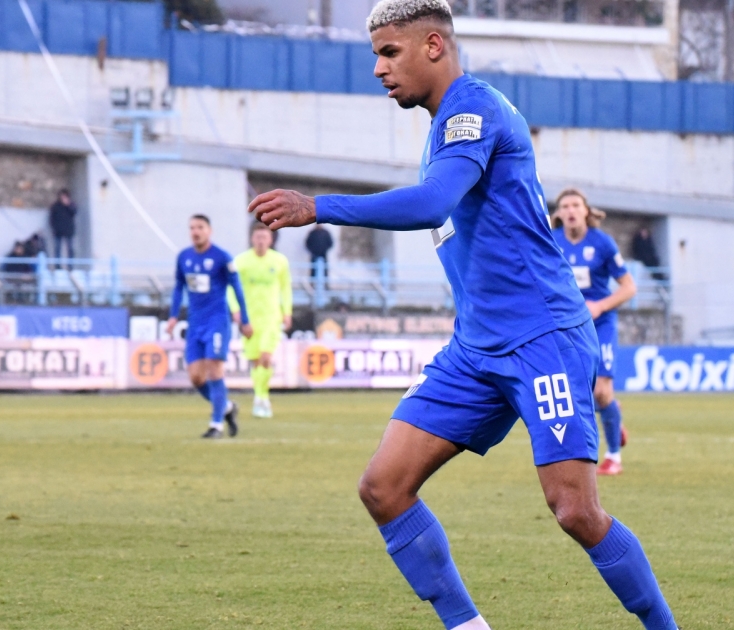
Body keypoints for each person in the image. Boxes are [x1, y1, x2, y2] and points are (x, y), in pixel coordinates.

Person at [246, 2, 677, 628]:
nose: (378, 69)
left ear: (432, 46)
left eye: (389, 53)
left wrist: (319, 206)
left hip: (542, 338)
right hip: (475, 349)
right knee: (384, 487)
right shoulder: (442, 127)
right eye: (375, 55)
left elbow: (431, 204)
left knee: (576, 511)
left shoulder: (472, 110)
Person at [551, 188, 638, 476]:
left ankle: (613, 457)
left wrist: (600, 306)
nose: (571, 210)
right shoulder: (552, 241)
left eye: (576, 205)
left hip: (600, 324)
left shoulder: (602, 243)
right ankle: (612, 413)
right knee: (579, 392)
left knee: (601, 390)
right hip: (567, 325)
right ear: (559, 213)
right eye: (565, 206)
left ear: (586, 211)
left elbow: (629, 287)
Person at [167, 215, 252, 439]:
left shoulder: (222, 257)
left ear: (209, 231)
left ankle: (216, 425)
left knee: (214, 368)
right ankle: (227, 407)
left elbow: (237, 287)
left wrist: (245, 319)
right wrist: (173, 316)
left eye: (200, 227)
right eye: (192, 228)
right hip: (195, 323)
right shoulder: (184, 257)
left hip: (217, 320)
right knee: (196, 377)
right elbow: (178, 287)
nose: (195, 232)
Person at [228, 222, 293, 419]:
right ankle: (261, 397)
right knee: (256, 361)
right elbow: (230, 288)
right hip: (250, 318)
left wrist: (287, 312)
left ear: (270, 239)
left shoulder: (280, 261)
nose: (261, 241)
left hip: (271, 317)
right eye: (258, 237)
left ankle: (261, 398)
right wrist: (235, 310)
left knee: (266, 357)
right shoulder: (241, 261)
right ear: (252, 239)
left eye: (265, 237)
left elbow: (285, 288)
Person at [48, 189, 77, 266]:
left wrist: (68, 205)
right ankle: (57, 266)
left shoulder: (71, 204)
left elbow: (74, 212)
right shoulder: (55, 206)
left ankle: (70, 266)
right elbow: (52, 218)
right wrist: (54, 228)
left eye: (65, 196)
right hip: (58, 231)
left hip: (68, 230)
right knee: (57, 249)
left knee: (70, 249)